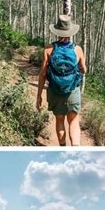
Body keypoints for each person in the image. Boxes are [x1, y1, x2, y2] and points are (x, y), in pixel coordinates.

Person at [36, 14, 87, 146]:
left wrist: (39, 96)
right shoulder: (77, 49)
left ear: (57, 32)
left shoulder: (48, 49)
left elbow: (42, 74)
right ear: (71, 32)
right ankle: (75, 148)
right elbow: (84, 70)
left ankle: (62, 147)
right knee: (73, 121)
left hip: (54, 91)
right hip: (72, 91)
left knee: (59, 120)